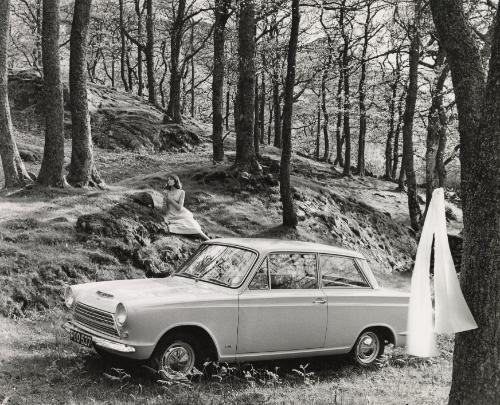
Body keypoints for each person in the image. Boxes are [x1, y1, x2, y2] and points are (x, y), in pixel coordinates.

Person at [162, 174, 209, 240]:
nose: (169, 181)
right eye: (168, 179)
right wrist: (165, 200)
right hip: (171, 215)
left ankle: (210, 241)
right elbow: (164, 208)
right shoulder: (167, 193)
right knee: (173, 228)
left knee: (195, 228)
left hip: (181, 214)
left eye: (171, 179)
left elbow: (179, 208)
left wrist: (171, 200)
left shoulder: (181, 192)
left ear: (176, 181)